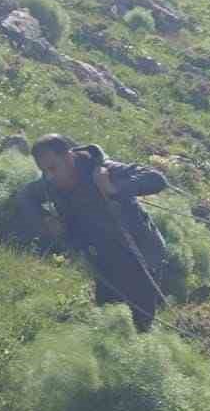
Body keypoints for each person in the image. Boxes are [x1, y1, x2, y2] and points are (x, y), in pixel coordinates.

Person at [20, 135, 169, 332]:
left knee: (139, 325)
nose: (49, 176)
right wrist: (45, 219)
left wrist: (112, 188)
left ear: (68, 157)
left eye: (53, 168)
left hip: (140, 255)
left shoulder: (103, 170)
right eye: (44, 171)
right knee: (106, 322)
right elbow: (26, 196)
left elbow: (156, 180)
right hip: (103, 261)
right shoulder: (50, 185)